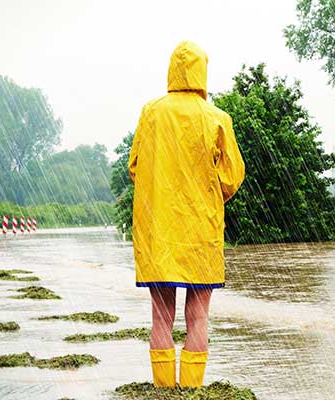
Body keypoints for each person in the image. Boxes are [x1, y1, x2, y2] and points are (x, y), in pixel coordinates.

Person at [127, 41, 245, 388]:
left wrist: (160, 186)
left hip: (158, 232)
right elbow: (233, 175)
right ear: (202, 73)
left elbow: (134, 167)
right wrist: (208, 192)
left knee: (161, 318)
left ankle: (164, 393)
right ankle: (192, 392)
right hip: (201, 233)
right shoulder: (217, 118)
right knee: (198, 317)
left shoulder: (151, 112)